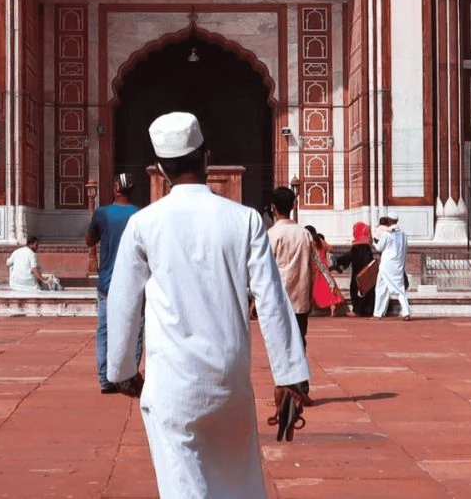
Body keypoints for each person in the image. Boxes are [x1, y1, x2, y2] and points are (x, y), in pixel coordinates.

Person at [105, 112, 310, 499]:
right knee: (239, 484)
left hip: (172, 382)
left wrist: (123, 370)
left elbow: (123, 304)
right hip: (229, 383)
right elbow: (272, 300)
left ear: (161, 169)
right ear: (206, 157)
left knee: (184, 487)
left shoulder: (145, 224)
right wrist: (289, 375)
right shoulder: (245, 220)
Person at [86, 172, 145, 392]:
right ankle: (127, 377)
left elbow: (89, 240)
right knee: (135, 330)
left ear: (115, 189)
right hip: (135, 283)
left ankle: (106, 379)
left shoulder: (103, 214)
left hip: (107, 282)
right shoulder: (141, 214)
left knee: (104, 330)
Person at [265, 186, 316, 344]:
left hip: (278, 300)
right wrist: (310, 295)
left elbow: (265, 271)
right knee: (299, 343)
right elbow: (311, 269)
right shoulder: (305, 234)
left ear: (273, 208)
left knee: (280, 345)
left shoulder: (272, 235)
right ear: (293, 205)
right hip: (300, 299)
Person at [335, 221, 377, 318]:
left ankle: (357, 311)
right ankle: (367, 310)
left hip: (358, 272)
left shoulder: (357, 246)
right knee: (368, 290)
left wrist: (337, 261)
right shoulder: (367, 246)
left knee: (356, 289)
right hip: (366, 272)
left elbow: (349, 257)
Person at [373, 214, 410, 319]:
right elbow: (405, 248)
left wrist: (375, 241)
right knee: (384, 288)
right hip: (398, 264)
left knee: (393, 289)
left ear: (389, 221)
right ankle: (377, 313)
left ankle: (406, 312)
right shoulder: (403, 234)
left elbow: (379, 248)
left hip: (387, 265)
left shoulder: (387, 234)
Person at [305, 227, 342, 316]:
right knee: (329, 286)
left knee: (314, 288)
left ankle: (312, 307)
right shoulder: (320, 240)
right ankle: (332, 307)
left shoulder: (309, 241)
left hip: (315, 267)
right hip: (324, 267)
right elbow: (330, 248)